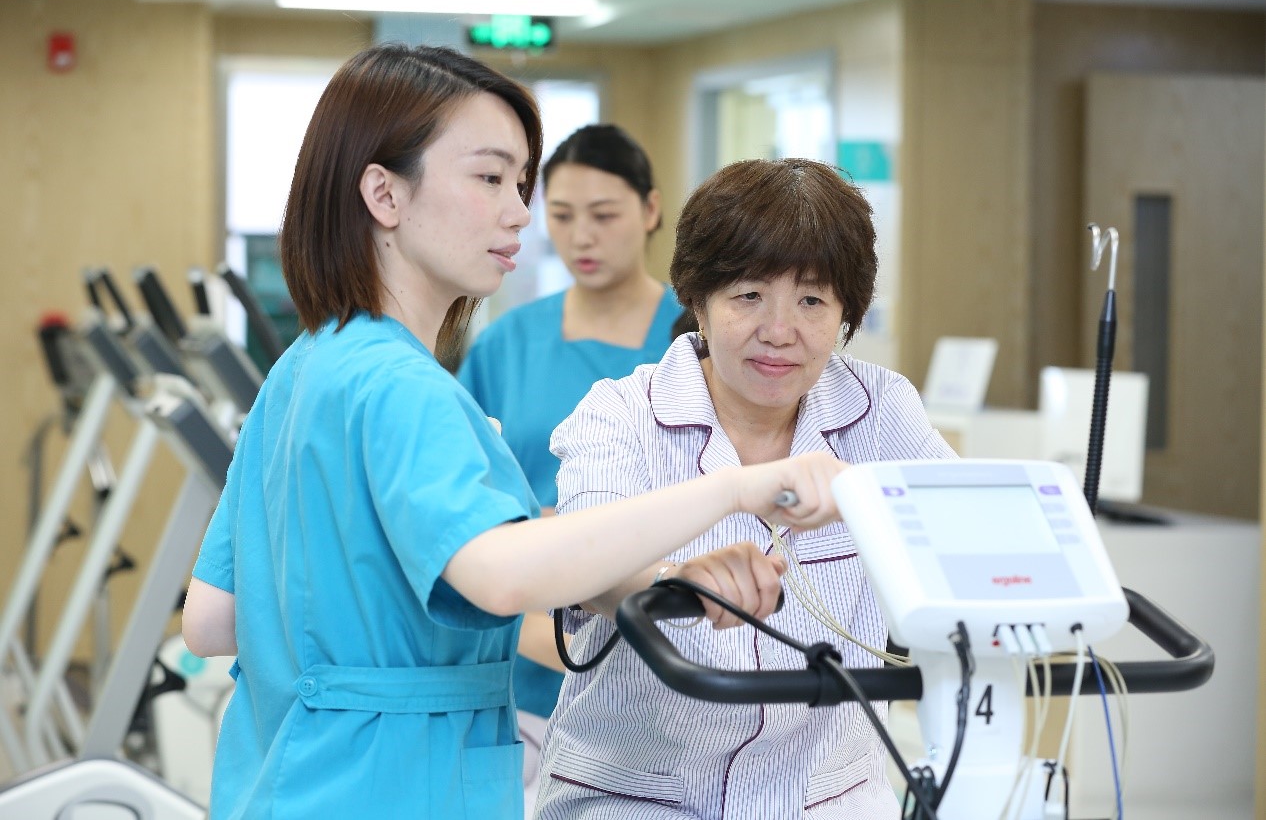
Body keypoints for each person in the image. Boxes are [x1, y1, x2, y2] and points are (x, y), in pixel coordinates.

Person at [180, 45, 847, 820]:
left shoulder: (306, 364)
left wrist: (658, 578)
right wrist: (735, 488)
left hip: (285, 780)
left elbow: (212, 617)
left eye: (521, 182)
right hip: (395, 787)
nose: (520, 213)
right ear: (384, 193)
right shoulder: (404, 387)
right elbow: (502, 576)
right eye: (490, 178)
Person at [533, 158, 957, 820]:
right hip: (638, 797)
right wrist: (676, 582)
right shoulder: (620, 415)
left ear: (846, 313)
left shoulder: (882, 411)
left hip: (829, 798)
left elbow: (957, 529)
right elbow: (587, 566)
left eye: (812, 301)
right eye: (749, 295)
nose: (780, 331)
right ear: (699, 302)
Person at [456, 124, 680, 767]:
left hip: (661, 668)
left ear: (650, 210)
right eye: (561, 215)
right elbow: (465, 503)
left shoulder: (694, 344)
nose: (581, 236)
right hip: (520, 671)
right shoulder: (507, 344)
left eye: (604, 215)